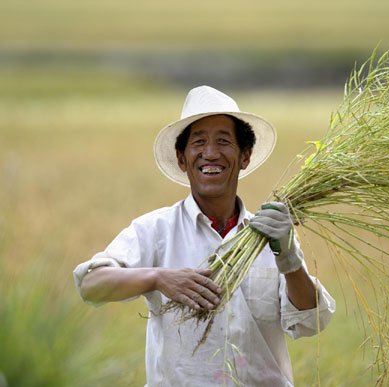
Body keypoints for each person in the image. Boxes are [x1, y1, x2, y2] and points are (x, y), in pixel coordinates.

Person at [73, 86, 335, 386]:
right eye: (198, 142)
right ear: (183, 159)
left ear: (245, 155)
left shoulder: (270, 234)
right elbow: (91, 284)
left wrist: (289, 257)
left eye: (223, 141)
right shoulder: (156, 230)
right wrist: (159, 278)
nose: (210, 153)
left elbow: (311, 322)